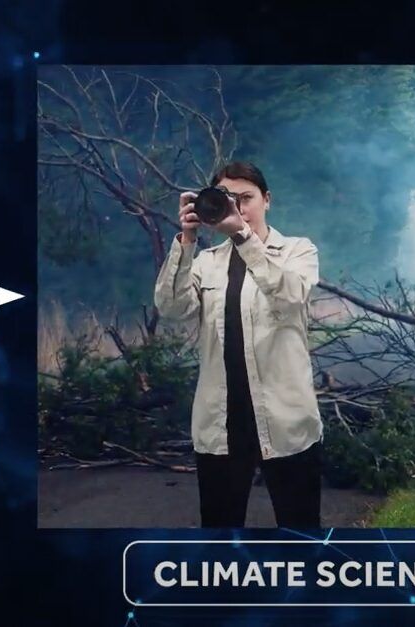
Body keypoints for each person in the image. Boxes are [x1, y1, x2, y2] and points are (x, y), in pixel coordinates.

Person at [152, 161, 323, 528]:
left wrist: (245, 238)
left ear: (267, 200)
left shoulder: (297, 251)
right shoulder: (205, 262)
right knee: (219, 528)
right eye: (229, 199)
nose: (239, 208)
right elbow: (171, 307)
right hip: (220, 420)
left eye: (246, 198)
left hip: (285, 417)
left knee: (300, 527)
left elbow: (291, 296)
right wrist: (186, 239)